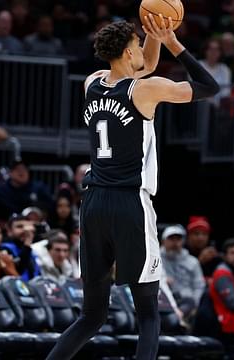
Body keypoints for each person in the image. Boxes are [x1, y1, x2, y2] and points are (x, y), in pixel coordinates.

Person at [45, 15, 219, 360]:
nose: (141, 49)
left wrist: (151, 35)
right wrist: (172, 41)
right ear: (127, 51)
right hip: (130, 205)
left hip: (93, 204)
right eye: (136, 43)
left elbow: (144, 65)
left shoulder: (92, 82)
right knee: (149, 315)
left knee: (91, 316)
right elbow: (208, 86)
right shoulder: (146, 91)